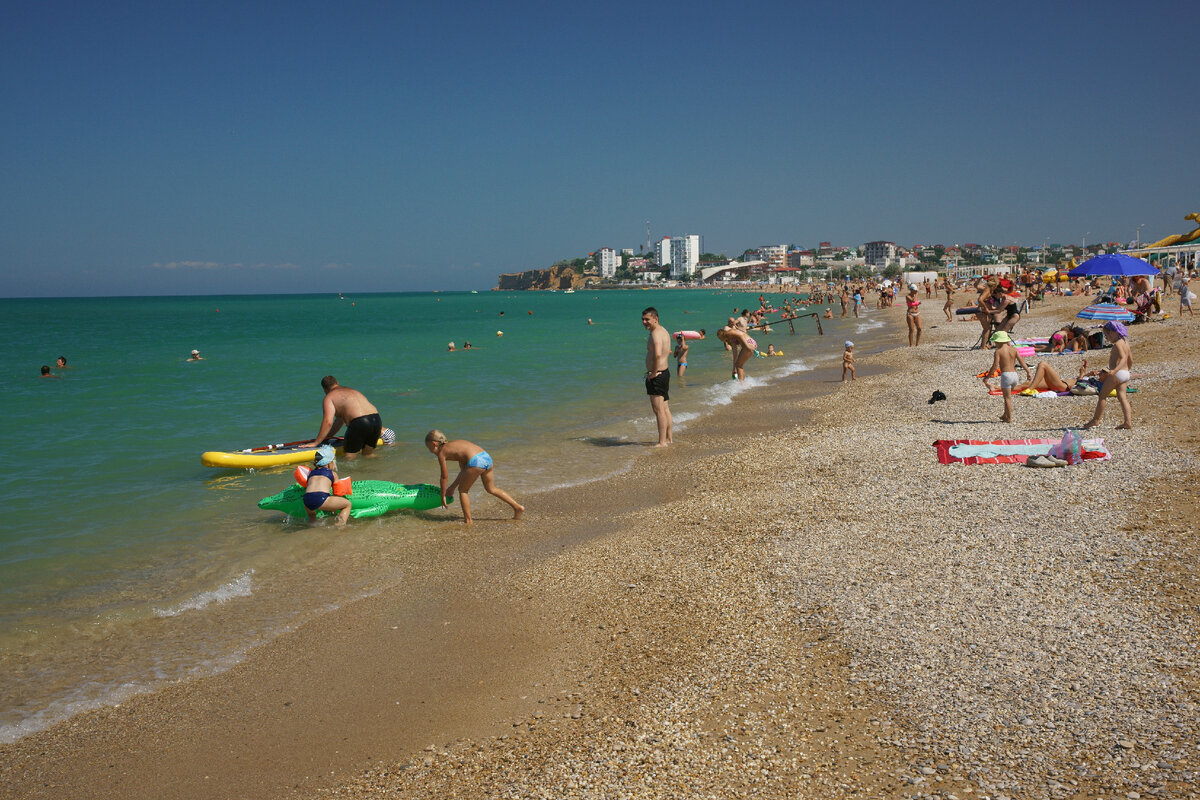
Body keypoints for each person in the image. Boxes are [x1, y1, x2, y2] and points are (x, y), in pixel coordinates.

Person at [424, 430, 524, 524]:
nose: (430, 452)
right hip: (486, 457)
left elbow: (444, 477)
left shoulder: (442, 453)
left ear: (434, 444)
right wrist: (451, 488)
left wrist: (442, 496)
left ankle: (468, 521)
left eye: (429, 449)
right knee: (491, 488)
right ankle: (517, 507)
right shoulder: (456, 445)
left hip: (476, 461)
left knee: (463, 491)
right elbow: (464, 471)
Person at [308, 376, 382, 460]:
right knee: (368, 455)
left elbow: (328, 421)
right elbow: (339, 421)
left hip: (359, 422)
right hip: (376, 420)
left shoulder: (329, 397)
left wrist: (316, 442)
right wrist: (327, 437)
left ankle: (349, 473)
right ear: (337, 383)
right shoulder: (352, 390)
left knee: (349, 458)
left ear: (324, 389)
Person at [1083, 321, 1133, 430]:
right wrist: (1127, 369)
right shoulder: (1125, 342)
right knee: (1122, 397)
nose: (1107, 338)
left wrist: (1115, 370)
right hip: (1125, 374)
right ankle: (1127, 422)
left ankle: (1095, 420)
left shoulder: (1118, 344)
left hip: (1117, 373)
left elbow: (1123, 358)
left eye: (1107, 335)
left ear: (1113, 333)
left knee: (1102, 396)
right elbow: (1130, 359)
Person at [641, 307, 673, 446]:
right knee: (665, 408)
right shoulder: (663, 331)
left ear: (656, 319)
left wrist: (653, 373)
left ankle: (662, 442)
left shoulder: (655, 334)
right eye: (642, 319)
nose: (644, 322)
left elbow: (658, 354)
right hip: (664, 373)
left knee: (658, 410)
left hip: (657, 375)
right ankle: (669, 438)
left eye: (647, 319)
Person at [984, 331, 1031, 423]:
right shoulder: (1014, 350)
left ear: (998, 342)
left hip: (1006, 376)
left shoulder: (998, 351)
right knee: (1007, 396)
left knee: (1007, 398)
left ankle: (1009, 418)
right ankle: (1005, 415)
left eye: (995, 342)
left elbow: (995, 366)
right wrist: (1028, 372)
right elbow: (1022, 362)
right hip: (1015, 376)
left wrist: (987, 377)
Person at [303, 445, 351, 527]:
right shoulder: (332, 474)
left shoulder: (310, 473)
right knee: (347, 505)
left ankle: (313, 527)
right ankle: (340, 526)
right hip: (321, 498)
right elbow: (337, 492)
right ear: (329, 463)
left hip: (306, 499)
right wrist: (333, 508)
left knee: (311, 515)